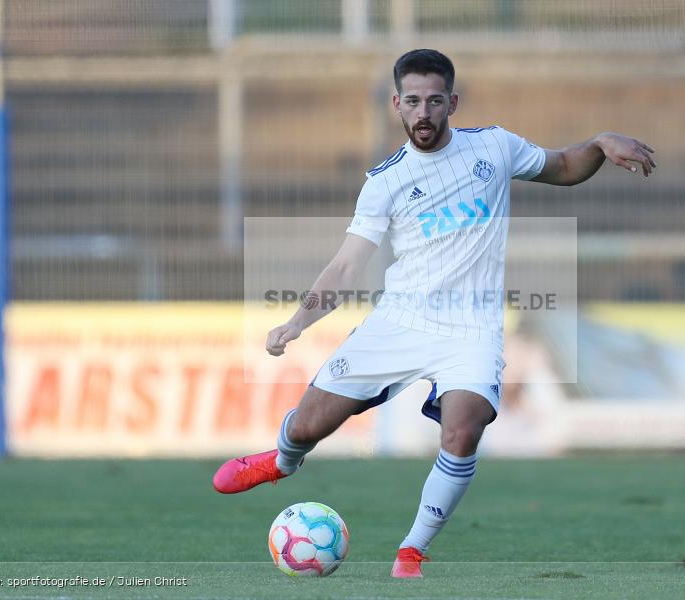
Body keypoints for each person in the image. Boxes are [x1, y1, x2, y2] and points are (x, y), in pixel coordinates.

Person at [213, 48, 655, 578]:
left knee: (463, 429)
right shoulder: (385, 182)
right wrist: (296, 322)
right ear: (397, 104)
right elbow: (347, 265)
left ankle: (411, 551)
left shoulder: (494, 146)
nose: (423, 112)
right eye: (413, 101)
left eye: (435, 101)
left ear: (452, 103)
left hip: (470, 330)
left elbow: (563, 166)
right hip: (399, 321)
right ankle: (281, 461)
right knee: (309, 425)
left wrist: (600, 143)